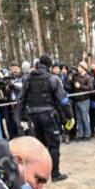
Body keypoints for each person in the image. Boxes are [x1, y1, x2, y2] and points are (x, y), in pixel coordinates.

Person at [19, 54, 74, 182]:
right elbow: (63, 100)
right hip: (48, 116)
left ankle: (40, 175)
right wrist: (70, 116)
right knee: (54, 145)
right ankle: (55, 174)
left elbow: (21, 99)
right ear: (49, 66)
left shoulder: (28, 79)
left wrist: (22, 118)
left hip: (33, 117)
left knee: (40, 146)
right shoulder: (52, 79)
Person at [72, 62, 93, 140]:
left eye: (79, 66)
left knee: (85, 118)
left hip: (84, 101)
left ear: (83, 68)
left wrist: (80, 86)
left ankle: (87, 134)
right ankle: (81, 134)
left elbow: (91, 88)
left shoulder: (88, 77)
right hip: (77, 101)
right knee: (79, 119)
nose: (78, 68)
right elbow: (74, 85)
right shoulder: (77, 76)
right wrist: (72, 80)